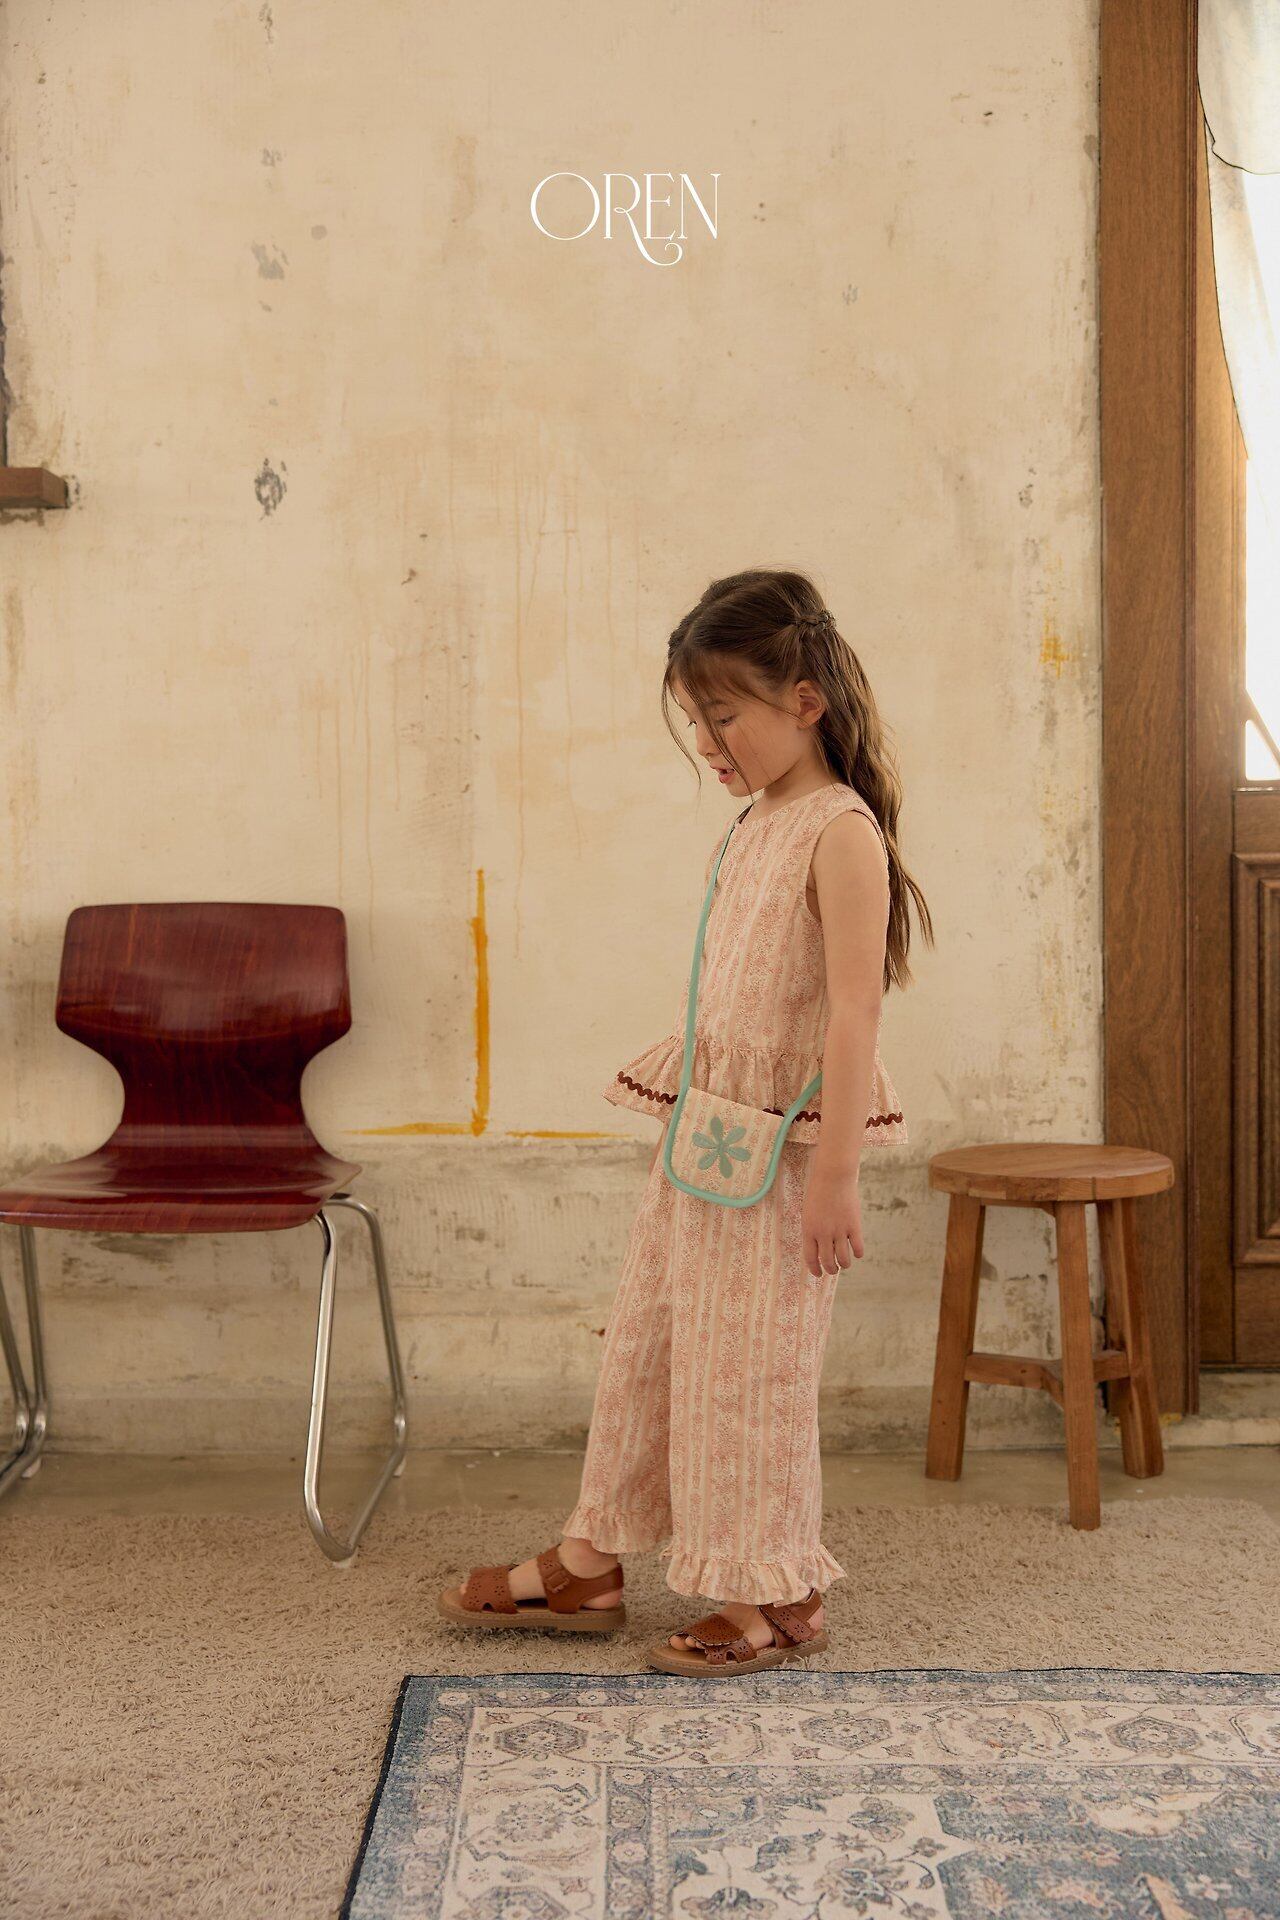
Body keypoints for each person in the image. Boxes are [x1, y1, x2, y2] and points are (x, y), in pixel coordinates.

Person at [439, 567, 932, 1675]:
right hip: (703, 1145)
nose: (707, 743)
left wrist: (836, 1176)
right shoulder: (756, 822)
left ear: (803, 702)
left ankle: (769, 1591)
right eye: (694, 721)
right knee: (652, 1352)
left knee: (747, 1379)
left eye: (723, 717)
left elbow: (854, 1012)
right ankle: (593, 1555)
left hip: (782, 1160)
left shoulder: (839, 833)